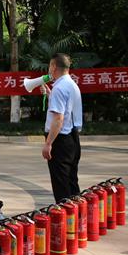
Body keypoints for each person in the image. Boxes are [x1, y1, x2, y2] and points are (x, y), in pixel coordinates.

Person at [41, 53, 83, 203]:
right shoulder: (71, 84)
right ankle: (78, 217)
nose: (49, 70)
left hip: (61, 140)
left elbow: (58, 118)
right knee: (71, 180)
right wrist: (50, 94)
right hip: (72, 138)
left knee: (61, 184)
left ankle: (66, 222)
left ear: (53, 66)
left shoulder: (59, 88)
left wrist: (48, 144)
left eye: (49, 66)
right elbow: (67, 109)